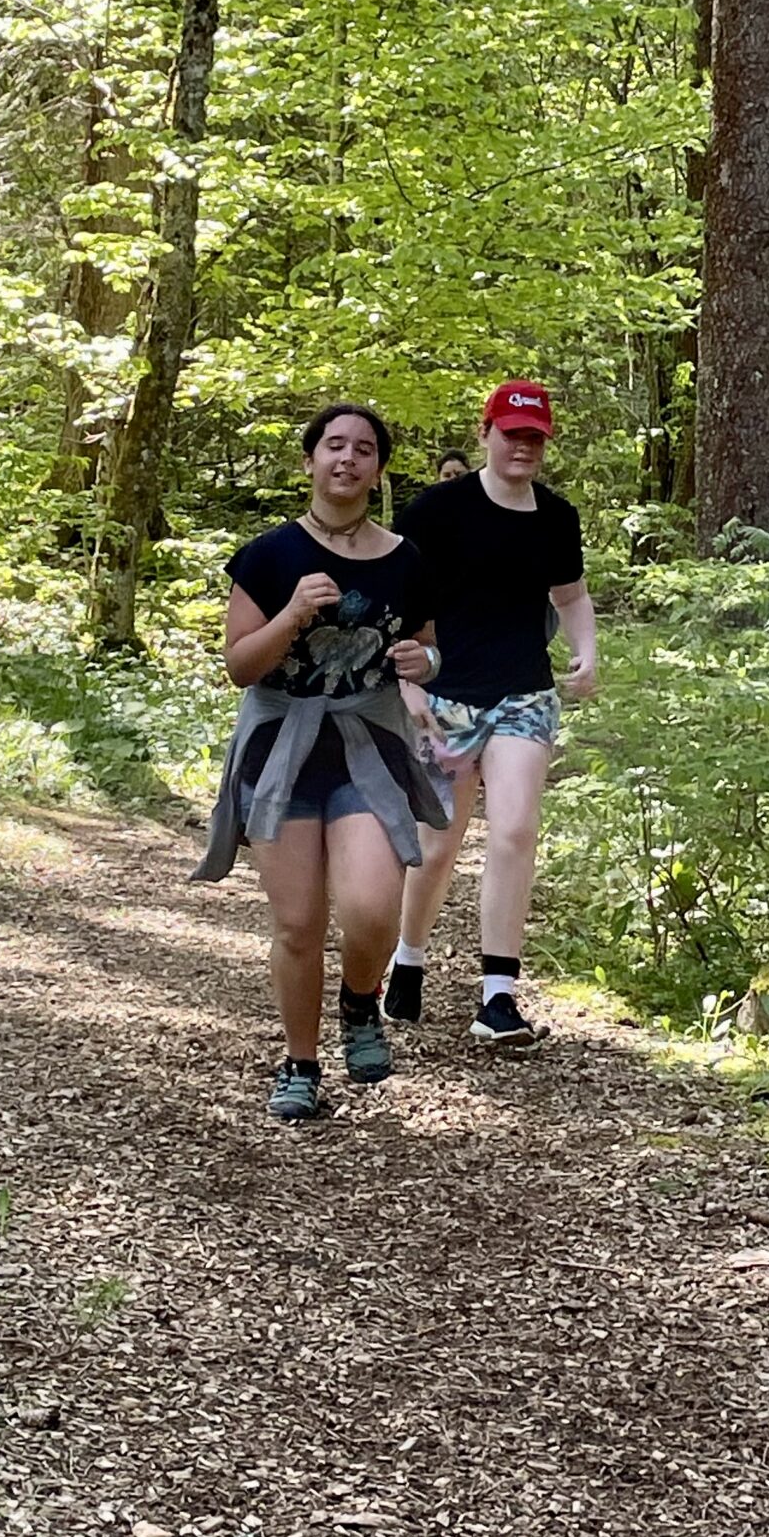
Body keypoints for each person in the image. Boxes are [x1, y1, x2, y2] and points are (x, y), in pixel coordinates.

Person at [194, 406, 449, 1122]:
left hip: (368, 747)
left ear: (378, 469)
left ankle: (360, 1000)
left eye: (363, 449)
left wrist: (424, 662)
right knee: (299, 924)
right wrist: (291, 616)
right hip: (283, 749)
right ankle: (300, 1063)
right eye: (334, 445)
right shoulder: (269, 556)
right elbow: (240, 667)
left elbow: (430, 646)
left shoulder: (407, 559)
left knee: (371, 908)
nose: (347, 459)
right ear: (310, 461)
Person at [384, 379, 597, 1047]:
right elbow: (396, 603)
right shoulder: (436, 510)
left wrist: (587, 653)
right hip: (444, 694)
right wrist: (408, 688)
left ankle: (498, 996)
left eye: (535, 438)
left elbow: (570, 595)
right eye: (512, 435)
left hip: (523, 694)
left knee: (515, 831)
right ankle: (408, 957)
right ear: (486, 434)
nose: (523, 448)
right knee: (438, 844)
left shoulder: (556, 517)